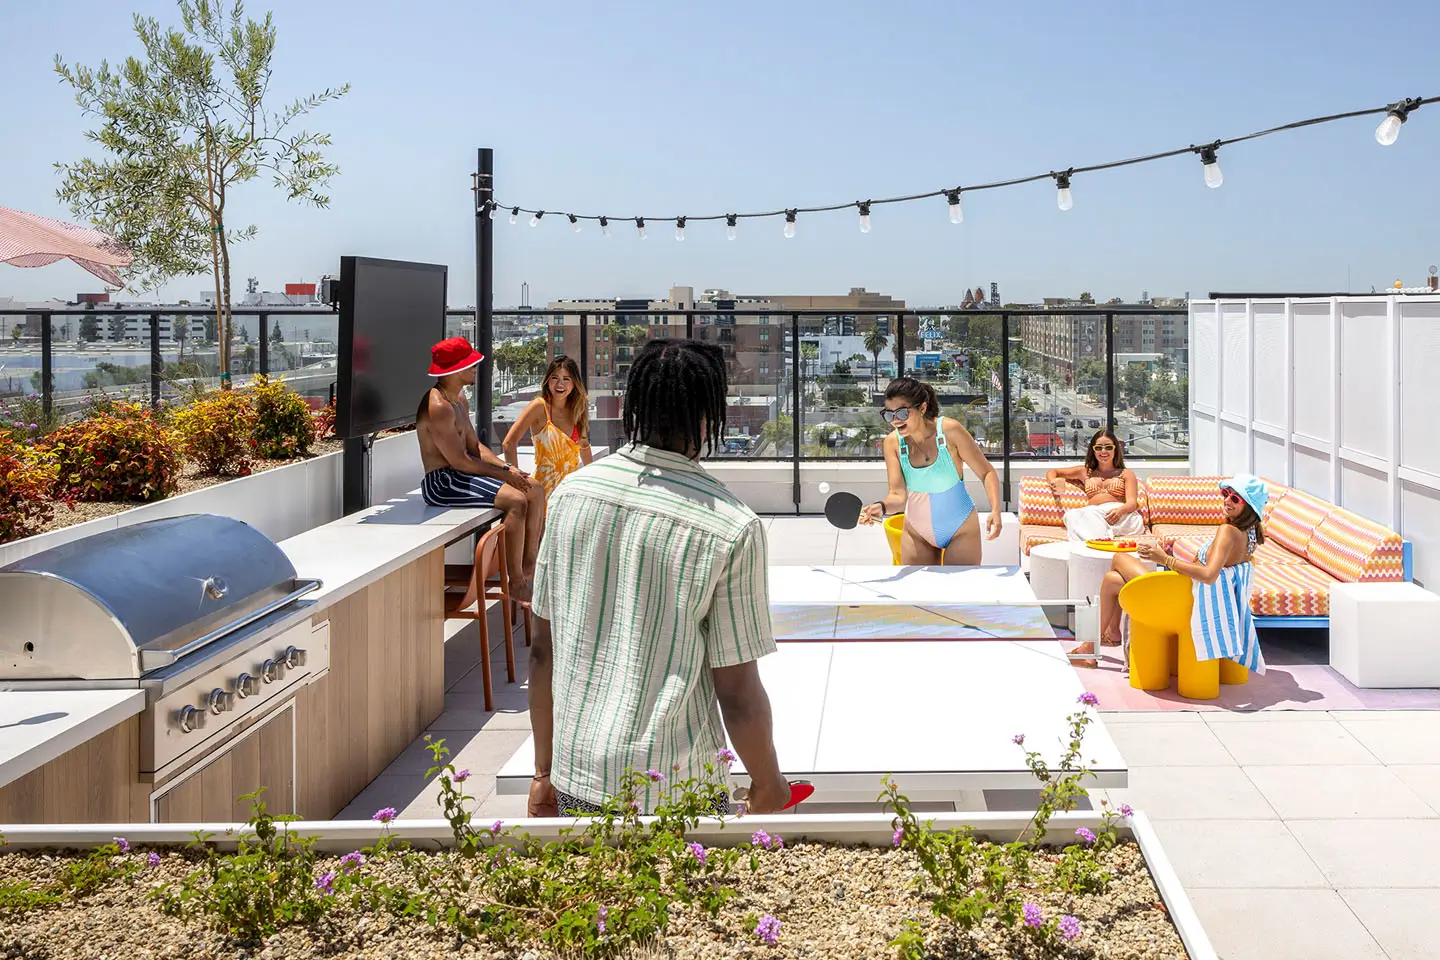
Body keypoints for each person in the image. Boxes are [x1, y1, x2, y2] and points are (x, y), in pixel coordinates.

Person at [526, 339, 790, 818]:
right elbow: (737, 692)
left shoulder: (570, 494)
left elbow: (542, 648)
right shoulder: (731, 526)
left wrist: (543, 773)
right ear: (709, 416)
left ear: (633, 406)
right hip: (674, 785)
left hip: (575, 771)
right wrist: (769, 784)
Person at [416, 336, 546, 600]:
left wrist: (507, 467)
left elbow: (476, 447)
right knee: (517, 501)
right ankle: (517, 582)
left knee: (535, 488)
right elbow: (458, 461)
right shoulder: (438, 407)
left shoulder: (459, 400)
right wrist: (502, 474)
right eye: (470, 364)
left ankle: (530, 565)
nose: (475, 368)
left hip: (461, 473)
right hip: (442, 482)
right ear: (454, 371)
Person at [1097, 474, 1268, 671]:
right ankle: (1104, 639)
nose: (1227, 500)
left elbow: (1208, 575)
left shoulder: (1227, 531)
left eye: (1236, 498)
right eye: (1226, 493)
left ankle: (1104, 639)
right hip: (1190, 592)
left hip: (1184, 598)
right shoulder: (1252, 534)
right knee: (1112, 580)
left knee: (1119, 558)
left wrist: (1163, 559)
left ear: (1250, 507)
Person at [857, 377, 1002, 565]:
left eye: (901, 413)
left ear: (922, 408)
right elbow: (897, 496)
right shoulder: (892, 443)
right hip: (917, 532)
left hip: (960, 528)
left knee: (959, 594)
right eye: (889, 414)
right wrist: (880, 507)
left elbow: (986, 472)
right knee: (918, 594)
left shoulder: (950, 431)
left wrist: (996, 510)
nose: (894, 421)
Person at [501, 356, 592, 497]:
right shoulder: (539, 406)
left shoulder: (578, 408)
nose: (560, 384)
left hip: (571, 491)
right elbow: (508, 443)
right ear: (548, 380)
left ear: (574, 383)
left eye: (566, 379)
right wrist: (516, 480)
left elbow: (584, 445)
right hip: (544, 492)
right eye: (555, 378)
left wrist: (592, 479)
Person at [1045, 429, 1143, 542]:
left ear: (1115, 449)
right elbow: (1053, 472)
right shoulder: (1085, 472)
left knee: (1084, 515)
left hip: (1121, 517)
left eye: (1109, 447)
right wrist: (1053, 482)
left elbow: (1132, 503)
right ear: (1093, 450)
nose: (1103, 451)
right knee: (1071, 516)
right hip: (1094, 516)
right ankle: (1100, 542)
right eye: (1098, 448)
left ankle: (1094, 544)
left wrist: (1119, 511)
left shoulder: (1126, 474)